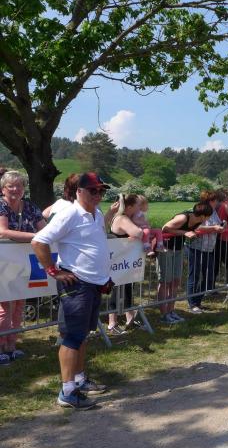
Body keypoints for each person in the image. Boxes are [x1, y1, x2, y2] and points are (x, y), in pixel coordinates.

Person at [31, 172, 113, 410]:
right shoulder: (70, 214)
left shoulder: (97, 214)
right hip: (76, 285)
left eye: (101, 191)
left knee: (82, 334)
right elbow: (39, 241)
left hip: (93, 284)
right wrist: (53, 271)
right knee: (72, 337)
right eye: (93, 190)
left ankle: (79, 380)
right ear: (79, 191)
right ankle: (67, 391)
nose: (98, 195)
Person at [0, 171, 47, 364]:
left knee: (19, 305)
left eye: (19, 185)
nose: (15, 189)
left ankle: (12, 345)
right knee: (4, 308)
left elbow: (45, 229)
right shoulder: (1, 205)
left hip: (23, 263)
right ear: (3, 189)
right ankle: (1, 346)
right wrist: (35, 237)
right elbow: (3, 232)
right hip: (3, 263)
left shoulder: (30, 207)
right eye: (10, 186)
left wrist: (43, 235)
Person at [157, 202, 214, 324]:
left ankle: (171, 311)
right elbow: (164, 228)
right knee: (165, 282)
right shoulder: (183, 218)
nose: (209, 218)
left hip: (178, 249)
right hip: (166, 249)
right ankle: (163, 314)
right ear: (203, 215)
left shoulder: (198, 221)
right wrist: (184, 233)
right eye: (208, 216)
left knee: (175, 281)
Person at [106, 194, 145, 335]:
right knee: (118, 291)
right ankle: (112, 323)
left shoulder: (122, 217)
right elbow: (138, 233)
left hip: (125, 260)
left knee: (127, 289)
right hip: (120, 261)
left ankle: (130, 319)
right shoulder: (122, 218)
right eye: (137, 205)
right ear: (129, 207)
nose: (140, 208)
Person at [186, 190, 226, 313]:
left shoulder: (214, 212)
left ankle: (198, 301)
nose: (217, 202)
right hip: (196, 247)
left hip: (209, 248)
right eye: (215, 200)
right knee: (195, 275)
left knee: (209, 276)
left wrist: (222, 226)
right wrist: (213, 228)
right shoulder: (199, 210)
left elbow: (217, 224)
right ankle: (192, 304)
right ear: (210, 201)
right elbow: (196, 227)